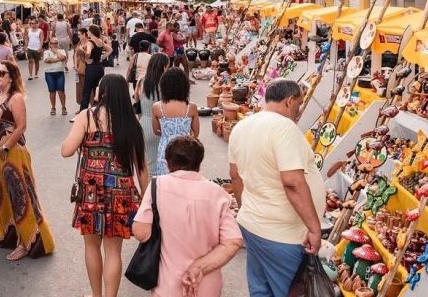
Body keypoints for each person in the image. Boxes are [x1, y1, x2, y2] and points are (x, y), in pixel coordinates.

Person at [229, 79, 326, 297]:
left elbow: (235, 176)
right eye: (299, 105)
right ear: (289, 101)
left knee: (261, 290)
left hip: (253, 225)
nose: (298, 111)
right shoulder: (284, 128)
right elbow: (292, 182)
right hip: (282, 235)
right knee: (288, 290)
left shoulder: (242, 126)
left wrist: (249, 209)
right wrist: (314, 228)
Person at [61, 74, 148, 297]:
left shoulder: (86, 116)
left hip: (91, 191)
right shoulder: (131, 123)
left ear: (103, 92)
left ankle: (96, 295)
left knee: (91, 246)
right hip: (121, 191)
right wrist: (148, 202)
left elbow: (66, 150)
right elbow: (141, 169)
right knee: (113, 250)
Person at [133, 136, 242, 297]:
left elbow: (141, 233)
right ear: (199, 163)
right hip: (206, 286)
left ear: (168, 162)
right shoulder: (218, 193)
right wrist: (199, 266)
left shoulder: (158, 185)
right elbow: (233, 242)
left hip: (167, 285)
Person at [0, 60, 54, 260]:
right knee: (3, 195)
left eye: (2, 73)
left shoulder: (16, 98)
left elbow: (21, 126)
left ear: (12, 77)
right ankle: (6, 235)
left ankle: (28, 242)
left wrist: (6, 146)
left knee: (21, 197)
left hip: (14, 153)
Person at [152, 67, 199, 176]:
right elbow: (196, 133)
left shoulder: (157, 107)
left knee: (166, 184)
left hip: (165, 151)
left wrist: (167, 135)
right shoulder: (191, 107)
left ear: (163, 86)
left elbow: (156, 131)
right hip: (186, 151)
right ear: (185, 86)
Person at [136, 53, 168, 174]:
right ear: (163, 67)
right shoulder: (164, 83)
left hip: (144, 123)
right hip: (161, 124)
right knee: (163, 163)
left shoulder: (141, 82)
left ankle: (151, 190)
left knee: (149, 163)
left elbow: (137, 102)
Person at [79, 25, 112, 112]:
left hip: (91, 68)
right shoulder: (100, 41)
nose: (87, 33)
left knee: (86, 91)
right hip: (100, 68)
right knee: (98, 90)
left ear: (91, 32)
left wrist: (84, 53)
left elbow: (88, 53)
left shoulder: (90, 42)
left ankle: (82, 113)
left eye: (88, 31)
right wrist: (102, 57)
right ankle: (99, 111)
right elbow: (110, 49)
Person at [43, 38, 68, 116]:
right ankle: (53, 108)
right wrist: (58, 59)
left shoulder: (62, 51)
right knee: (52, 91)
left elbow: (63, 58)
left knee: (61, 91)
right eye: (52, 43)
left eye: (56, 43)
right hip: (49, 73)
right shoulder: (46, 52)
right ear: (49, 44)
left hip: (60, 72)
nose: (54, 44)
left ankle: (63, 107)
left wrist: (56, 51)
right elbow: (47, 60)